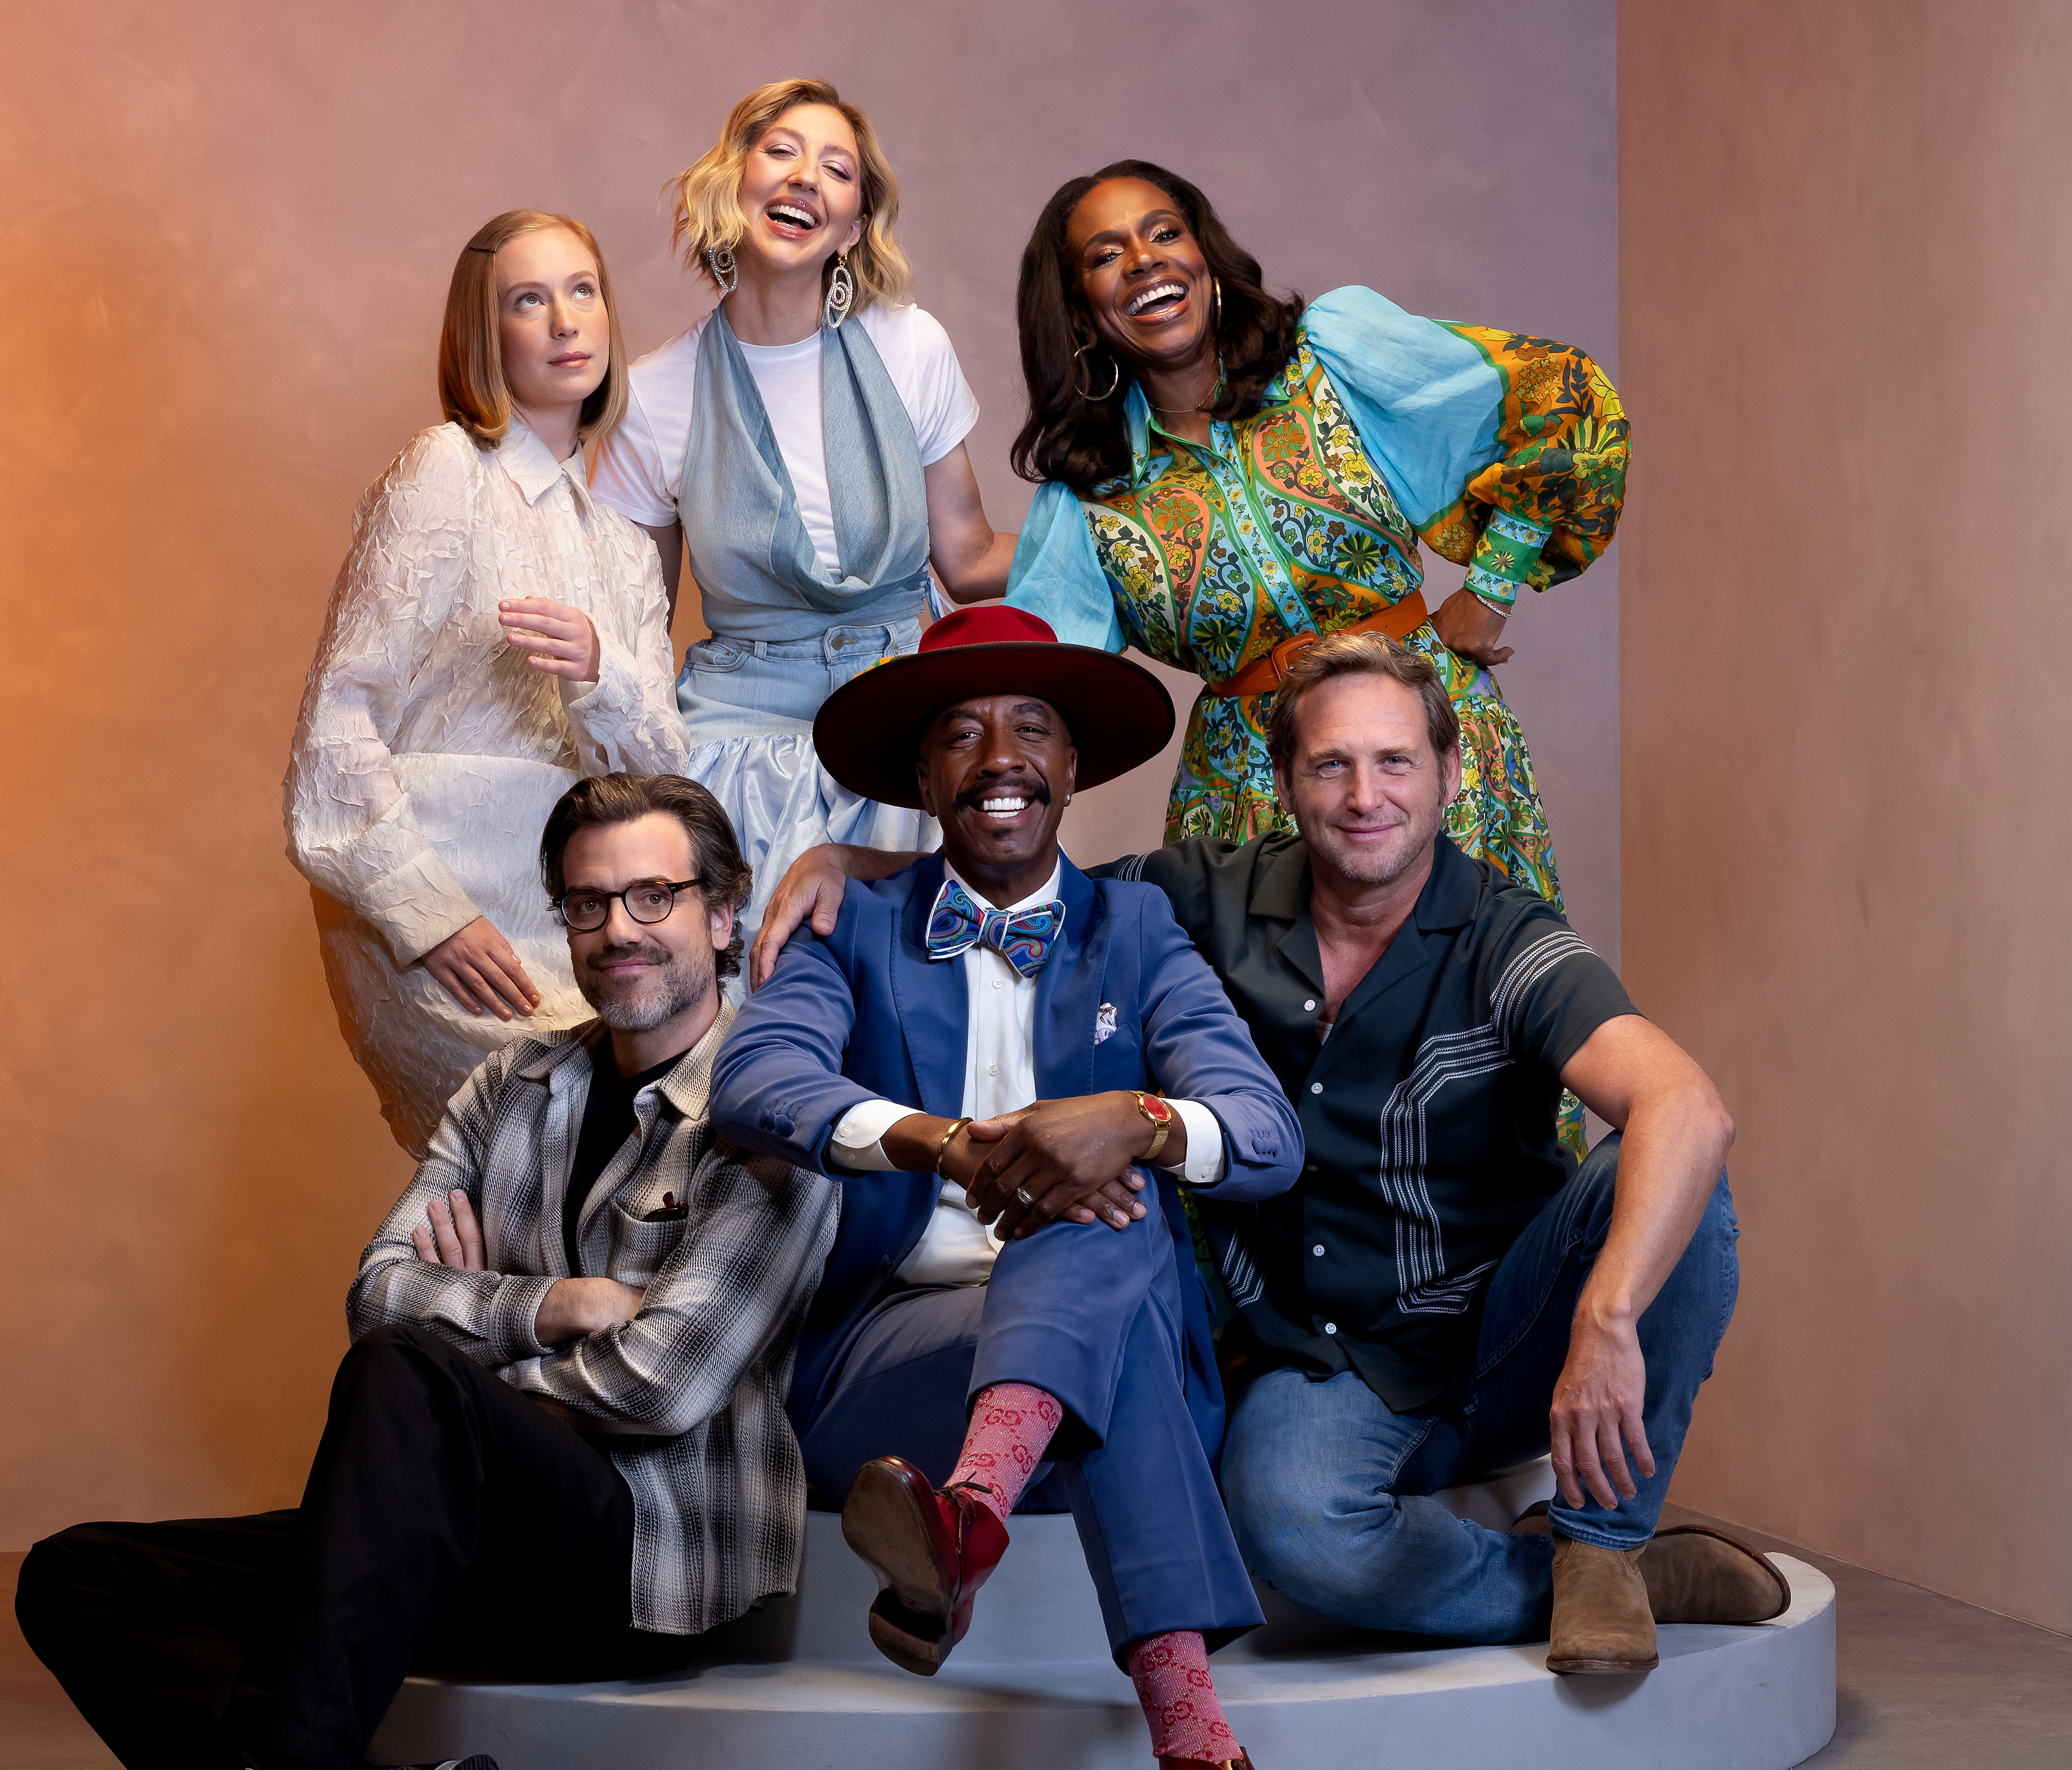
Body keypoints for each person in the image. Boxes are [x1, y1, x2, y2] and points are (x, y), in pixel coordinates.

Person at [753, 633, 1788, 1678]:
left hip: (1517, 1333)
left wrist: (1605, 1322)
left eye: (1395, 763)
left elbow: (1686, 1106)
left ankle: (1607, 1548)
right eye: (1331, 765)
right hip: (1333, 1363)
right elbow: (1014, 864)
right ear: (1286, 781)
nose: (1364, 795)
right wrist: (853, 865)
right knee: (1286, 1532)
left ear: (1450, 775)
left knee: (1676, 1176)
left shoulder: (1504, 937)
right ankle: (1568, 1582)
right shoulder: (1198, 897)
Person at [17, 773, 839, 1770]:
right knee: (81, 1577)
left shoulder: (774, 1112)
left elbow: (660, 1384)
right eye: (589, 903)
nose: (619, 929)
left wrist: (466, 1381)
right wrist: (552, 1304)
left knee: (415, 1379)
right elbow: (377, 1288)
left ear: (723, 916)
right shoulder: (511, 1088)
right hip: (483, 1530)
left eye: (654, 895)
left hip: (646, 1555)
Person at [712, 602, 1354, 1770]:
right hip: (893, 1362)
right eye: (959, 734)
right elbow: (755, 1081)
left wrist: (1138, 1117)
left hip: (1064, 1354)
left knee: (1098, 1215)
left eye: (1030, 731)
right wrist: (943, 1144)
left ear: (1070, 771)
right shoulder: (857, 925)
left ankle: (969, 1524)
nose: (996, 755)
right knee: (1102, 1232)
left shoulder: (1138, 933)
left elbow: (1267, 1134)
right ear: (923, 779)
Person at [1003, 156, 1629, 911]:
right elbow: (1030, 694)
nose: (1144, 261)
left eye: (1165, 233)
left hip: (1418, 752)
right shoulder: (1085, 498)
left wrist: (1490, 589)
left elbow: (1561, 397)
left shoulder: (1330, 358)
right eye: (1106, 256)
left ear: (1205, 256)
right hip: (1247, 808)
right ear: (1077, 309)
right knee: (1273, 1027)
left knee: (1477, 1007)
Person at [286, 208, 689, 1152]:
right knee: (548, 1157)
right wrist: (428, 917)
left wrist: (602, 673)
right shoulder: (445, 472)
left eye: (583, 291)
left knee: (653, 1160)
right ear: (485, 332)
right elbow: (336, 721)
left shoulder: (625, 552)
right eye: (529, 300)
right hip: (444, 913)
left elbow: (666, 775)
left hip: (580, 919)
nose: (565, 322)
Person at [588, 78, 1013, 943]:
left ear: (855, 226)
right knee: (742, 993)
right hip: (735, 730)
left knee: (907, 993)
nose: (805, 178)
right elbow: (635, 632)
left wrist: (1118, 536)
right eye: (781, 151)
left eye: (837, 168)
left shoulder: (911, 345)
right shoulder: (652, 397)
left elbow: (966, 560)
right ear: (731, 182)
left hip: (905, 716)